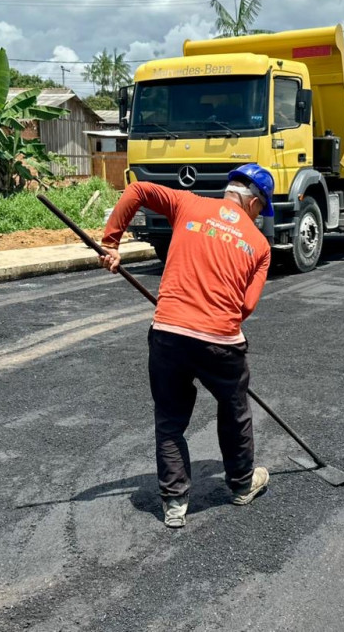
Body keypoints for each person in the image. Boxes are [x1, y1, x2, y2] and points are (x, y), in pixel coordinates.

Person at [99, 164, 274, 528]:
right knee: (234, 408)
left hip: (169, 333)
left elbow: (137, 191)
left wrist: (111, 243)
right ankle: (242, 484)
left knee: (170, 419)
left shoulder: (188, 204)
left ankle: (175, 504)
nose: (259, 216)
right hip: (221, 342)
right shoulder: (259, 245)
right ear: (253, 203)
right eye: (261, 209)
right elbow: (245, 307)